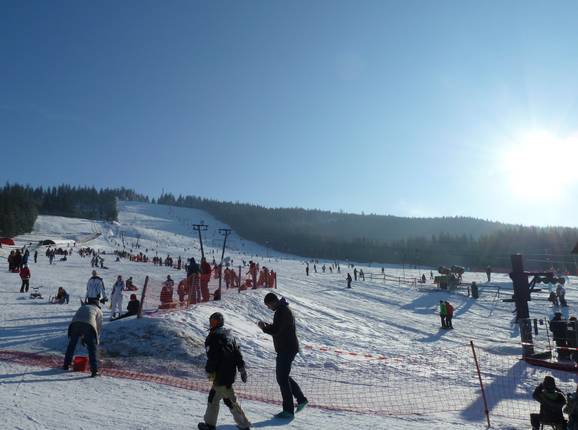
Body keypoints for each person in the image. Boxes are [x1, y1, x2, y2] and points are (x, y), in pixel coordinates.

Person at [257, 293, 308, 418]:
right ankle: (301, 399)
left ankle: (288, 410)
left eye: (268, 305)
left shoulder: (282, 311)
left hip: (287, 349)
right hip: (286, 348)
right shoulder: (282, 310)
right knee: (283, 376)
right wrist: (267, 325)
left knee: (282, 378)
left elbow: (277, 330)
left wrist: (264, 328)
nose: (268, 308)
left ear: (273, 302)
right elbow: (278, 327)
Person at [197, 312, 251, 430]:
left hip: (220, 375)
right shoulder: (229, 335)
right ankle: (210, 424)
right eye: (211, 322)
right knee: (216, 398)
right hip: (228, 374)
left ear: (220, 322)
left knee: (229, 400)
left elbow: (213, 357)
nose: (212, 324)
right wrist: (241, 368)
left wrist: (209, 370)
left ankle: (243, 425)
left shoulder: (213, 337)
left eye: (215, 322)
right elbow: (237, 354)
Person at [63, 301, 103, 377]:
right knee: (92, 348)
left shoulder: (83, 307)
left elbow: (80, 321)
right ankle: (94, 371)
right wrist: (96, 341)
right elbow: (98, 328)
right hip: (88, 325)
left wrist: (83, 337)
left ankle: (66, 365)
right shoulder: (99, 311)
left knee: (72, 345)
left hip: (74, 324)